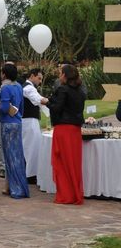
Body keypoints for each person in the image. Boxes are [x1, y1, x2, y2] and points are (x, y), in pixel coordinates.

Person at [47, 64, 85, 205]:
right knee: (73, 163)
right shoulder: (80, 91)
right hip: (75, 130)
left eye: (60, 73)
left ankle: (66, 195)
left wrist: (47, 103)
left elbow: (57, 108)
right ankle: (75, 193)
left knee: (62, 162)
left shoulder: (63, 89)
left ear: (65, 75)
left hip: (63, 128)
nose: (59, 75)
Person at [0, 63, 29, 199]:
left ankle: (14, 187)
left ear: (4, 74)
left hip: (7, 124)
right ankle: (11, 185)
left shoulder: (5, 88)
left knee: (9, 156)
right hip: (18, 123)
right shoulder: (18, 86)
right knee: (17, 154)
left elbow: (4, 108)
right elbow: (21, 107)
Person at [22, 69, 48, 183]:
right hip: (28, 121)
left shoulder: (29, 87)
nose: (40, 81)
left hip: (30, 120)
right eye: (39, 78)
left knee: (31, 146)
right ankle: (30, 175)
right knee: (31, 147)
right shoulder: (28, 87)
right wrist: (52, 102)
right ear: (32, 76)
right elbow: (38, 99)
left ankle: (30, 173)